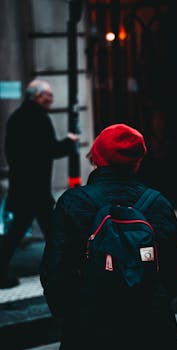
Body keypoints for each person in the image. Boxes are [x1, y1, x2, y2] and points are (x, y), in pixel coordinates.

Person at [40, 123, 177, 350]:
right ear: (137, 161)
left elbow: (55, 270)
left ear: (96, 157)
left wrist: (74, 311)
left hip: (90, 323)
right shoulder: (158, 203)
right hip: (151, 323)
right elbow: (176, 270)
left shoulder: (73, 202)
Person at [0, 79, 79, 288]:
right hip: (36, 189)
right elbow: (49, 149)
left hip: (24, 186)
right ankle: (64, 271)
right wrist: (69, 143)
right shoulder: (39, 118)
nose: (51, 100)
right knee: (48, 233)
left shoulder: (16, 117)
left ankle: (63, 269)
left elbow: (13, 152)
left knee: (38, 232)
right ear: (36, 96)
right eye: (48, 95)